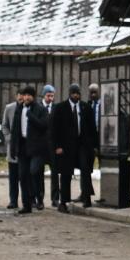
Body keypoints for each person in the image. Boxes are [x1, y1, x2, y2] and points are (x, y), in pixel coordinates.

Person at [7, 83, 51, 213]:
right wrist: (14, 148)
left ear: (33, 97)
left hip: (37, 147)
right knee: (22, 176)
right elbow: (15, 129)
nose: (26, 98)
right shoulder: (19, 109)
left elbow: (44, 125)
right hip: (22, 146)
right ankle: (27, 205)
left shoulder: (40, 109)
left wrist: (31, 117)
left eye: (29, 95)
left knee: (34, 172)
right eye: (24, 95)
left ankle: (38, 198)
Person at [49, 83, 82, 211]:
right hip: (64, 147)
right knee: (65, 175)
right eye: (74, 93)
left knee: (84, 171)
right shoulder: (60, 107)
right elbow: (53, 128)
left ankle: (85, 197)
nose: (76, 95)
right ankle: (63, 202)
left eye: (78, 93)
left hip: (79, 146)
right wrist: (57, 146)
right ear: (69, 94)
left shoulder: (83, 107)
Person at [77, 83, 102, 207]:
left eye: (95, 92)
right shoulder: (86, 106)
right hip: (88, 141)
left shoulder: (103, 105)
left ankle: (104, 195)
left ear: (99, 92)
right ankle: (85, 194)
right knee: (85, 169)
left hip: (102, 138)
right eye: (91, 92)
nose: (92, 95)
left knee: (104, 167)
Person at [0, 87, 24, 210]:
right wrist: (9, 138)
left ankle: (29, 200)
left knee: (25, 177)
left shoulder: (28, 108)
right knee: (13, 177)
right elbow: (4, 125)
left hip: (25, 148)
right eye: (19, 97)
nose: (21, 99)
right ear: (16, 97)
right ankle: (13, 200)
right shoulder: (9, 108)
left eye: (23, 97)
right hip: (13, 148)